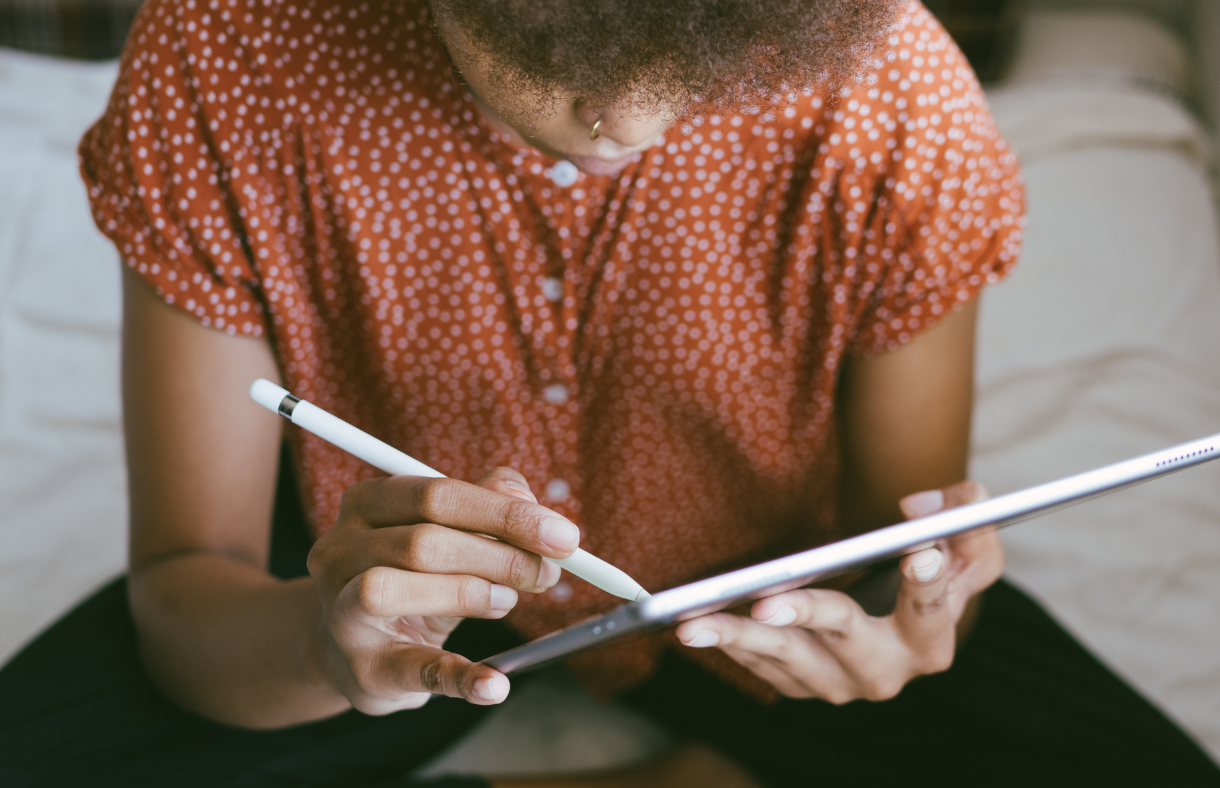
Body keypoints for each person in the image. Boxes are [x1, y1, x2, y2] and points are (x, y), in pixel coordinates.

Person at [1, 0, 1218, 785]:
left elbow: (887, 547)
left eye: (702, 54)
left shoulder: (888, 91)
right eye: (543, 39)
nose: (625, 118)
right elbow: (184, 595)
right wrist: (325, 648)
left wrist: (897, 632)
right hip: (369, 578)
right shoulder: (229, 52)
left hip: (764, 588)